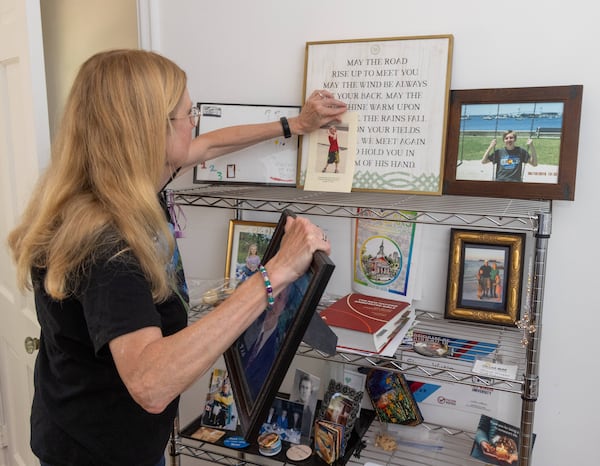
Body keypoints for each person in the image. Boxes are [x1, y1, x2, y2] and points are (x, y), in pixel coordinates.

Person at [6, 49, 346, 466]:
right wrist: (273, 274)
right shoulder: (106, 241)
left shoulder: (118, 184)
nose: (196, 122)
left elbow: (207, 146)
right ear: (151, 130)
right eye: (189, 113)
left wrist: (295, 125)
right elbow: (152, 383)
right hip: (97, 451)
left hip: (100, 431)